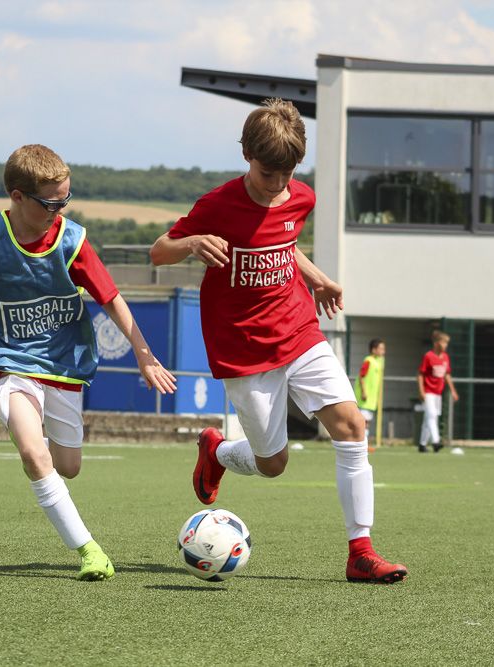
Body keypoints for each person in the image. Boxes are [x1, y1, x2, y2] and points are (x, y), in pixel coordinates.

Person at [149, 98, 406, 584]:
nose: (278, 184)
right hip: (244, 347)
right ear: (246, 154)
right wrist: (191, 243)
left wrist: (317, 278)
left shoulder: (301, 197)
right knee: (273, 464)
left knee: (352, 426)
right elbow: (158, 251)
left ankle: (361, 552)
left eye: (287, 173)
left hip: (298, 328)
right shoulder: (218, 205)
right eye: (268, 173)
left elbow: (283, 246)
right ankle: (218, 452)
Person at [0, 144, 177, 581]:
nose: (59, 211)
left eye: (65, 200)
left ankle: (48, 471)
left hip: (61, 365)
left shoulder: (71, 240)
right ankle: (89, 550)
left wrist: (143, 353)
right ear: (17, 197)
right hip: (7, 363)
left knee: (68, 466)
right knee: (33, 453)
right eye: (50, 203)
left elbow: (111, 299)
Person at [416, 330, 459, 453]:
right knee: (432, 416)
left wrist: (453, 391)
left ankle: (422, 444)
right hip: (428, 392)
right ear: (436, 343)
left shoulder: (445, 357)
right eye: (443, 342)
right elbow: (420, 375)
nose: (445, 345)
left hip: (438, 393)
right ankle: (436, 441)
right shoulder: (428, 356)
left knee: (429, 418)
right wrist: (421, 391)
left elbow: (447, 375)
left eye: (447, 343)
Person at [353, 338, 385, 447]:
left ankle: (363, 444)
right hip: (364, 398)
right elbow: (361, 376)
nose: (383, 351)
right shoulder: (368, 361)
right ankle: (362, 444)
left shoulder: (377, 362)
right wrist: (363, 391)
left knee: (366, 422)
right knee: (364, 422)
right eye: (381, 349)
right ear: (374, 349)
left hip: (371, 400)